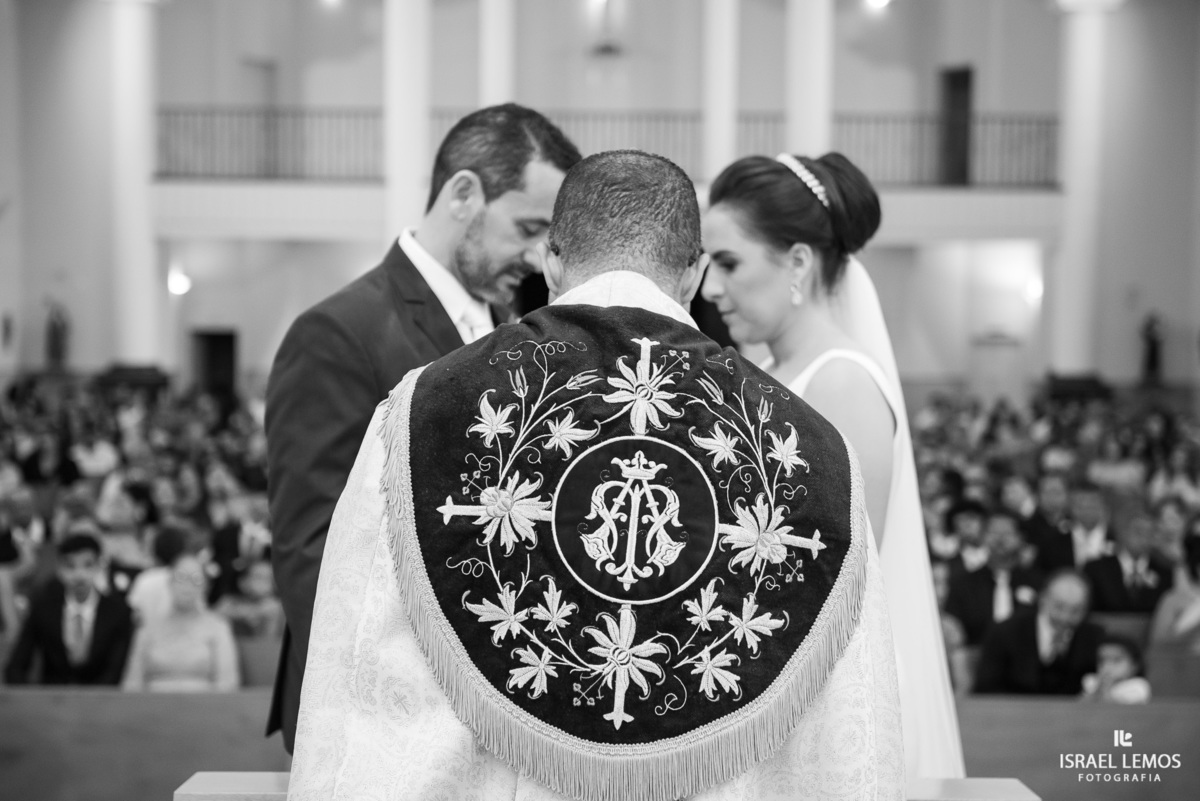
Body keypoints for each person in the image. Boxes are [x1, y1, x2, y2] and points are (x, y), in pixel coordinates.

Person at [288, 151, 903, 801]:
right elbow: (849, 729)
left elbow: (355, 657)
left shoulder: (422, 410)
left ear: (551, 260)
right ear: (693, 274)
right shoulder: (807, 449)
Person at [265, 104, 581, 751]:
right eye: (527, 226)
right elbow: (313, 553)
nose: (536, 255)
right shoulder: (339, 332)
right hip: (376, 713)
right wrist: (404, 706)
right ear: (464, 194)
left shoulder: (515, 331)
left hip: (480, 706)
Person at [700, 151, 963, 777]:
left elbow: (841, 579)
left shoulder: (842, 384)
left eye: (730, 263)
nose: (711, 288)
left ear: (796, 262)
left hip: (821, 693)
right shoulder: (770, 372)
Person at [4, 532, 134, 685]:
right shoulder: (43, 608)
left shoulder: (118, 611)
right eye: (70, 566)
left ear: (99, 566)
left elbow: (117, 670)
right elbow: (17, 665)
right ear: (60, 568)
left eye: (88, 565)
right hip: (51, 701)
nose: (79, 575)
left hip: (102, 701)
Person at [121, 552, 239, 692]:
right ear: (169, 581)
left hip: (204, 708)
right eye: (181, 577)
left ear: (205, 587)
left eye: (196, 579)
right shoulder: (148, 627)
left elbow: (227, 684)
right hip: (152, 709)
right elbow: (131, 684)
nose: (187, 586)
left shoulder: (218, 627)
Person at [973, 570, 1104, 695]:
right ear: (1043, 599)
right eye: (1059, 607)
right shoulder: (1005, 632)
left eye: (1076, 610)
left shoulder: (1092, 637)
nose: (1066, 617)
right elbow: (986, 688)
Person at [1080, 634, 1151, 703]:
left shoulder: (1138, 686)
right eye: (1102, 660)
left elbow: (1115, 710)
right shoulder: (1091, 681)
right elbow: (1080, 706)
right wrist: (1096, 689)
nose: (1107, 666)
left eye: (1116, 660)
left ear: (1134, 666)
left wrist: (1105, 688)